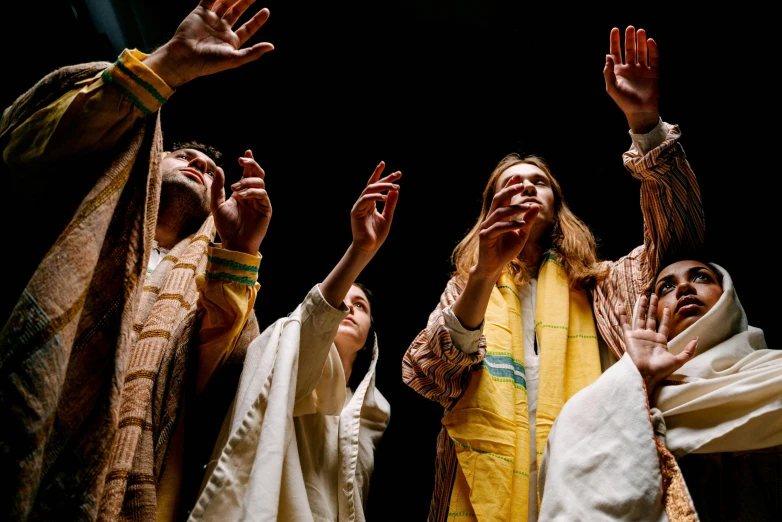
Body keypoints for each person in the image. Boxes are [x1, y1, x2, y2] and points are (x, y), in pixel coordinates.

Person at [401, 25, 706, 522]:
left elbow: (683, 238)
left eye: (538, 182)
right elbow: (426, 376)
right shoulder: (467, 288)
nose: (525, 187)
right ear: (487, 212)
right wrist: (482, 276)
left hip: (597, 482)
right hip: (488, 498)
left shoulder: (606, 282)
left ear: (557, 206)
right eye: (510, 184)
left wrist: (645, 124)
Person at [0, 1, 274, 521]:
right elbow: (22, 146)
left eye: (213, 170)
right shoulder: (78, 215)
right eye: (182, 155)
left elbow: (233, 385)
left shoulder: (205, 286)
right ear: (148, 163)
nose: (200, 163)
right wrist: (169, 63)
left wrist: (239, 256)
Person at [187, 161, 400, 522]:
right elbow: (310, 329)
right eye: (341, 300)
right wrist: (361, 250)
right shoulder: (298, 373)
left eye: (360, 305)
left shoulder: (375, 414)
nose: (347, 307)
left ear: (369, 337)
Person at [537, 258, 782, 521]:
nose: (685, 287)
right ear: (653, 315)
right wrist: (641, 376)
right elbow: (574, 438)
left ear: (727, 294)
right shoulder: (632, 392)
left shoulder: (773, 373)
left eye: (701, 277)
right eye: (666, 287)